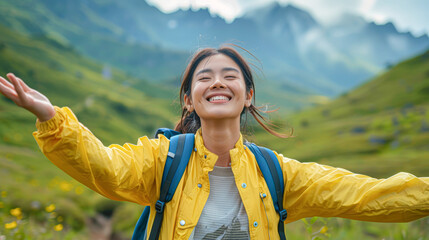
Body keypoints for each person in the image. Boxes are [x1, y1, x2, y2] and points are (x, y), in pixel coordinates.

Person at [0, 46, 428, 240]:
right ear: (189, 98)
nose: (218, 82)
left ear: (248, 95)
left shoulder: (278, 174)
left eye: (230, 76)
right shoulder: (161, 160)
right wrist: (53, 120)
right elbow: (104, 167)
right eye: (204, 76)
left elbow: (367, 195)